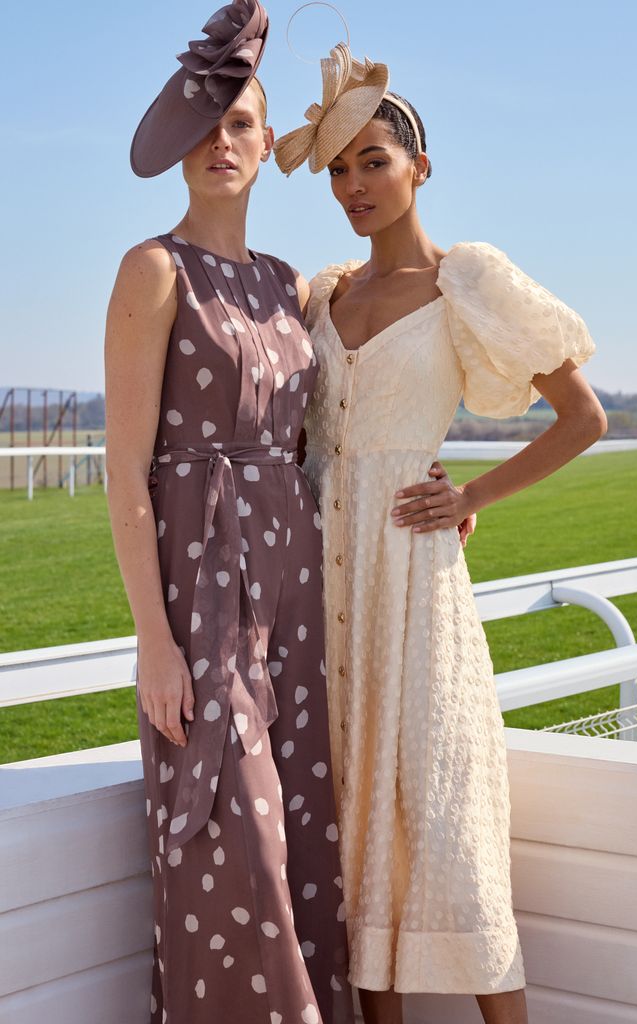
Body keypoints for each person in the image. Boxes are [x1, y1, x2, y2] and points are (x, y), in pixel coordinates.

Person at [274, 44, 607, 1024]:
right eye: (336, 168)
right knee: (354, 831)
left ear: (420, 166)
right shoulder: (320, 297)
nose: (352, 185)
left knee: (447, 826)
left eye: (372, 160)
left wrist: (472, 496)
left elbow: (580, 417)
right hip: (325, 591)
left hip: (415, 583)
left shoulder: (463, 280)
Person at [105, 5, 353, 1022]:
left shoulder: (286, 286)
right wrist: (153, 643)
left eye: (242, 124)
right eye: (207, 124)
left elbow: (330, 427)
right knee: (234, 840)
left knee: (303, 836)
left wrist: (422, 490)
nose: (224, 142)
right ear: (179, 139)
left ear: (265, 144)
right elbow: (123, 467)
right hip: (198, 593)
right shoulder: (152, 271)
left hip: (292, 589)